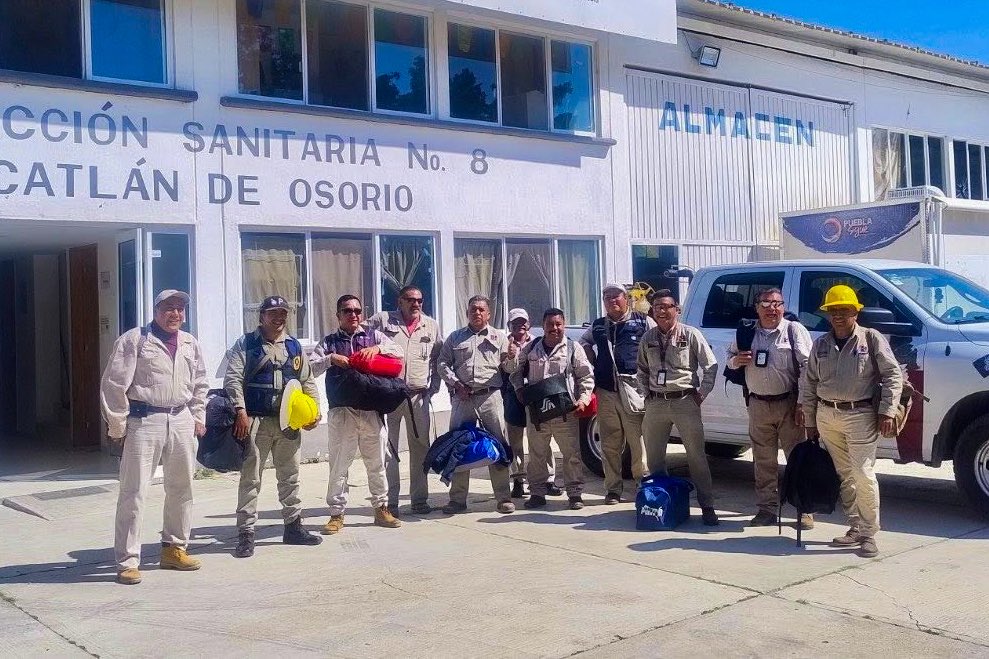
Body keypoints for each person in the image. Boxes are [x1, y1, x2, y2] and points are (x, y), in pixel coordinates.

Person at [100, 289, 208, 585]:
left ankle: (174, 549)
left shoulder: (190, 343)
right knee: (133, 492)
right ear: (156, 310)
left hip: (181, 419)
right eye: (169, 308)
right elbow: (113, 384)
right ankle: (127, 561)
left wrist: (198, 416)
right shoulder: (135, 340)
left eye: (180, 308)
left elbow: (200, 382)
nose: (175, 314)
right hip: (143, 420)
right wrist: (117, 426)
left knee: (182, 488)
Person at [802, 285, 903, 558]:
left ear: (856, 312)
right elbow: (809, 383)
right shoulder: (820, 344)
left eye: (844, 310)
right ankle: (855, 527)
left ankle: (869, 534)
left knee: (863, 474)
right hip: (827, 416)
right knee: (844, 475)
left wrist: (887, 411)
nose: (838, 316)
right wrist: (810, 420)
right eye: (833, 311)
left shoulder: (871, 339)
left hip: (860, 416)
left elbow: (893, 375)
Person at [225, 295, 323, 559]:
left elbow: (307, 381)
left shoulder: (294, 346)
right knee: (251, 479)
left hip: (288, 424)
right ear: (262, 316)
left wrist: (314, 411)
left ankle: (293, 527)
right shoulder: (246, 344)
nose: (278, 318)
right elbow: (232, 379)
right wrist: (240, 412)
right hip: (256, 422)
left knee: (290, 477)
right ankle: (246, 534)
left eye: (283, 313)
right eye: (273, 313)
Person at [311, 294, 404, 534]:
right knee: (339, 465)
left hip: (372, 410)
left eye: (357, 310)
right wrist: (331, 359)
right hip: (342, 412)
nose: (353, 315)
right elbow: (309, 368)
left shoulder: (374, 336)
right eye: (347, 311)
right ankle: (336, 513)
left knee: (377, 463)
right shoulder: (329, 342)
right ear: (338, 315)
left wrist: (378, 348)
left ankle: (381, 509)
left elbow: (398, 353)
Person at [726, 288, 814, 529]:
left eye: (777, 303)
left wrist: (802, 404)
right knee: (763, 461)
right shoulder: (746, 331)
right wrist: (737, 361)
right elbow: (729, 357)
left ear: (783, 307)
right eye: (766, 303)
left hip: (789, 404)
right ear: (757, 308)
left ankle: (804, 510)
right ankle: (766, 509)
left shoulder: (794, 330)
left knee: (797, 459)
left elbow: (808, 368)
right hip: (757, 404)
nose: (771, 308)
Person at [636, 290, 720, 526]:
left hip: (685, 402)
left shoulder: (691, 335)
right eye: (657, 307)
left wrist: (701, 394)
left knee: (696, 457)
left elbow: (710, 365)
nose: (662, 311)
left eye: (667, 307)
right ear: (652, 311)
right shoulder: (648, 338)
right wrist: (647, 396)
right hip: (656, 403)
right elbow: (641, 369)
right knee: (654, 458)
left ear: (677, 309)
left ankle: (707, 506)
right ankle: (660, 503)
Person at [367, 286, 443, 516]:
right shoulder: (383, 320)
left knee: (420, 449)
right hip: (388, 395)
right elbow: (358, 335)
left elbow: (438, 358)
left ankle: (419, 500)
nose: (416, 304)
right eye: (410, 300)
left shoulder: (430, 325)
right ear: (400, 301)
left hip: (418, 397)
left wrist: (434, 388)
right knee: (388, 450)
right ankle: (390, 503)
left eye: (419, 300)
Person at [436, 295, 515, 514]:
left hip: (490, 397)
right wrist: (455, 384)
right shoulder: (455, 338)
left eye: (481, 310)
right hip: (463, 398)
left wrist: (512, 357)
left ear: (488, 314)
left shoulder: (499, 337)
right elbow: (442, 364)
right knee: (458, 446)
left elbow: (509, 369)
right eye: (473, 309)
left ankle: (503, 497)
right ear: (468, 312)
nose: (477, 313)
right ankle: (457, 499)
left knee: (499, 446)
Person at [509, 308, 595, 510]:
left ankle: (574, 494)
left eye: (558, 324)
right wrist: (520, 390)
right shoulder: (531, 348)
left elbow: (586, 376)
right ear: (543, 325)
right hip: (537, 412)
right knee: (537, 453)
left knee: (571, 454)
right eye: (550, 324)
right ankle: (538, 493)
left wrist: (583, 399)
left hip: (565, 412)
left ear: (563, 325)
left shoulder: (574, 349)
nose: (554, 328)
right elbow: (516, 372)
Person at [579, 283, 654, 504]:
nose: (612, 300)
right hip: (606, 390)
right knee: (610, 442)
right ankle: (613, 489)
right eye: (607, 297)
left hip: (633, 389)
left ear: (626, 298)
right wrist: (588, 356)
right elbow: (583, 342)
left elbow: (655, 344)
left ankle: (643, 485)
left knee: (637, 440)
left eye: (616, 296)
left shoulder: (642, 321)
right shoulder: (598, 325)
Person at [502, 308, 560, 499]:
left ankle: (548, 479)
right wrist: (509, 356)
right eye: (516, 323)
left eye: (523, 322)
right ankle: (518, 480)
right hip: (513, 396)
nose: (521, 326)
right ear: (510, 325)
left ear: (529, 323)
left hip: (537, 395)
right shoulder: (503, 343)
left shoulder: (538, 341)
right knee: (515, 441)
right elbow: (506, 370)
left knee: (543, 439)